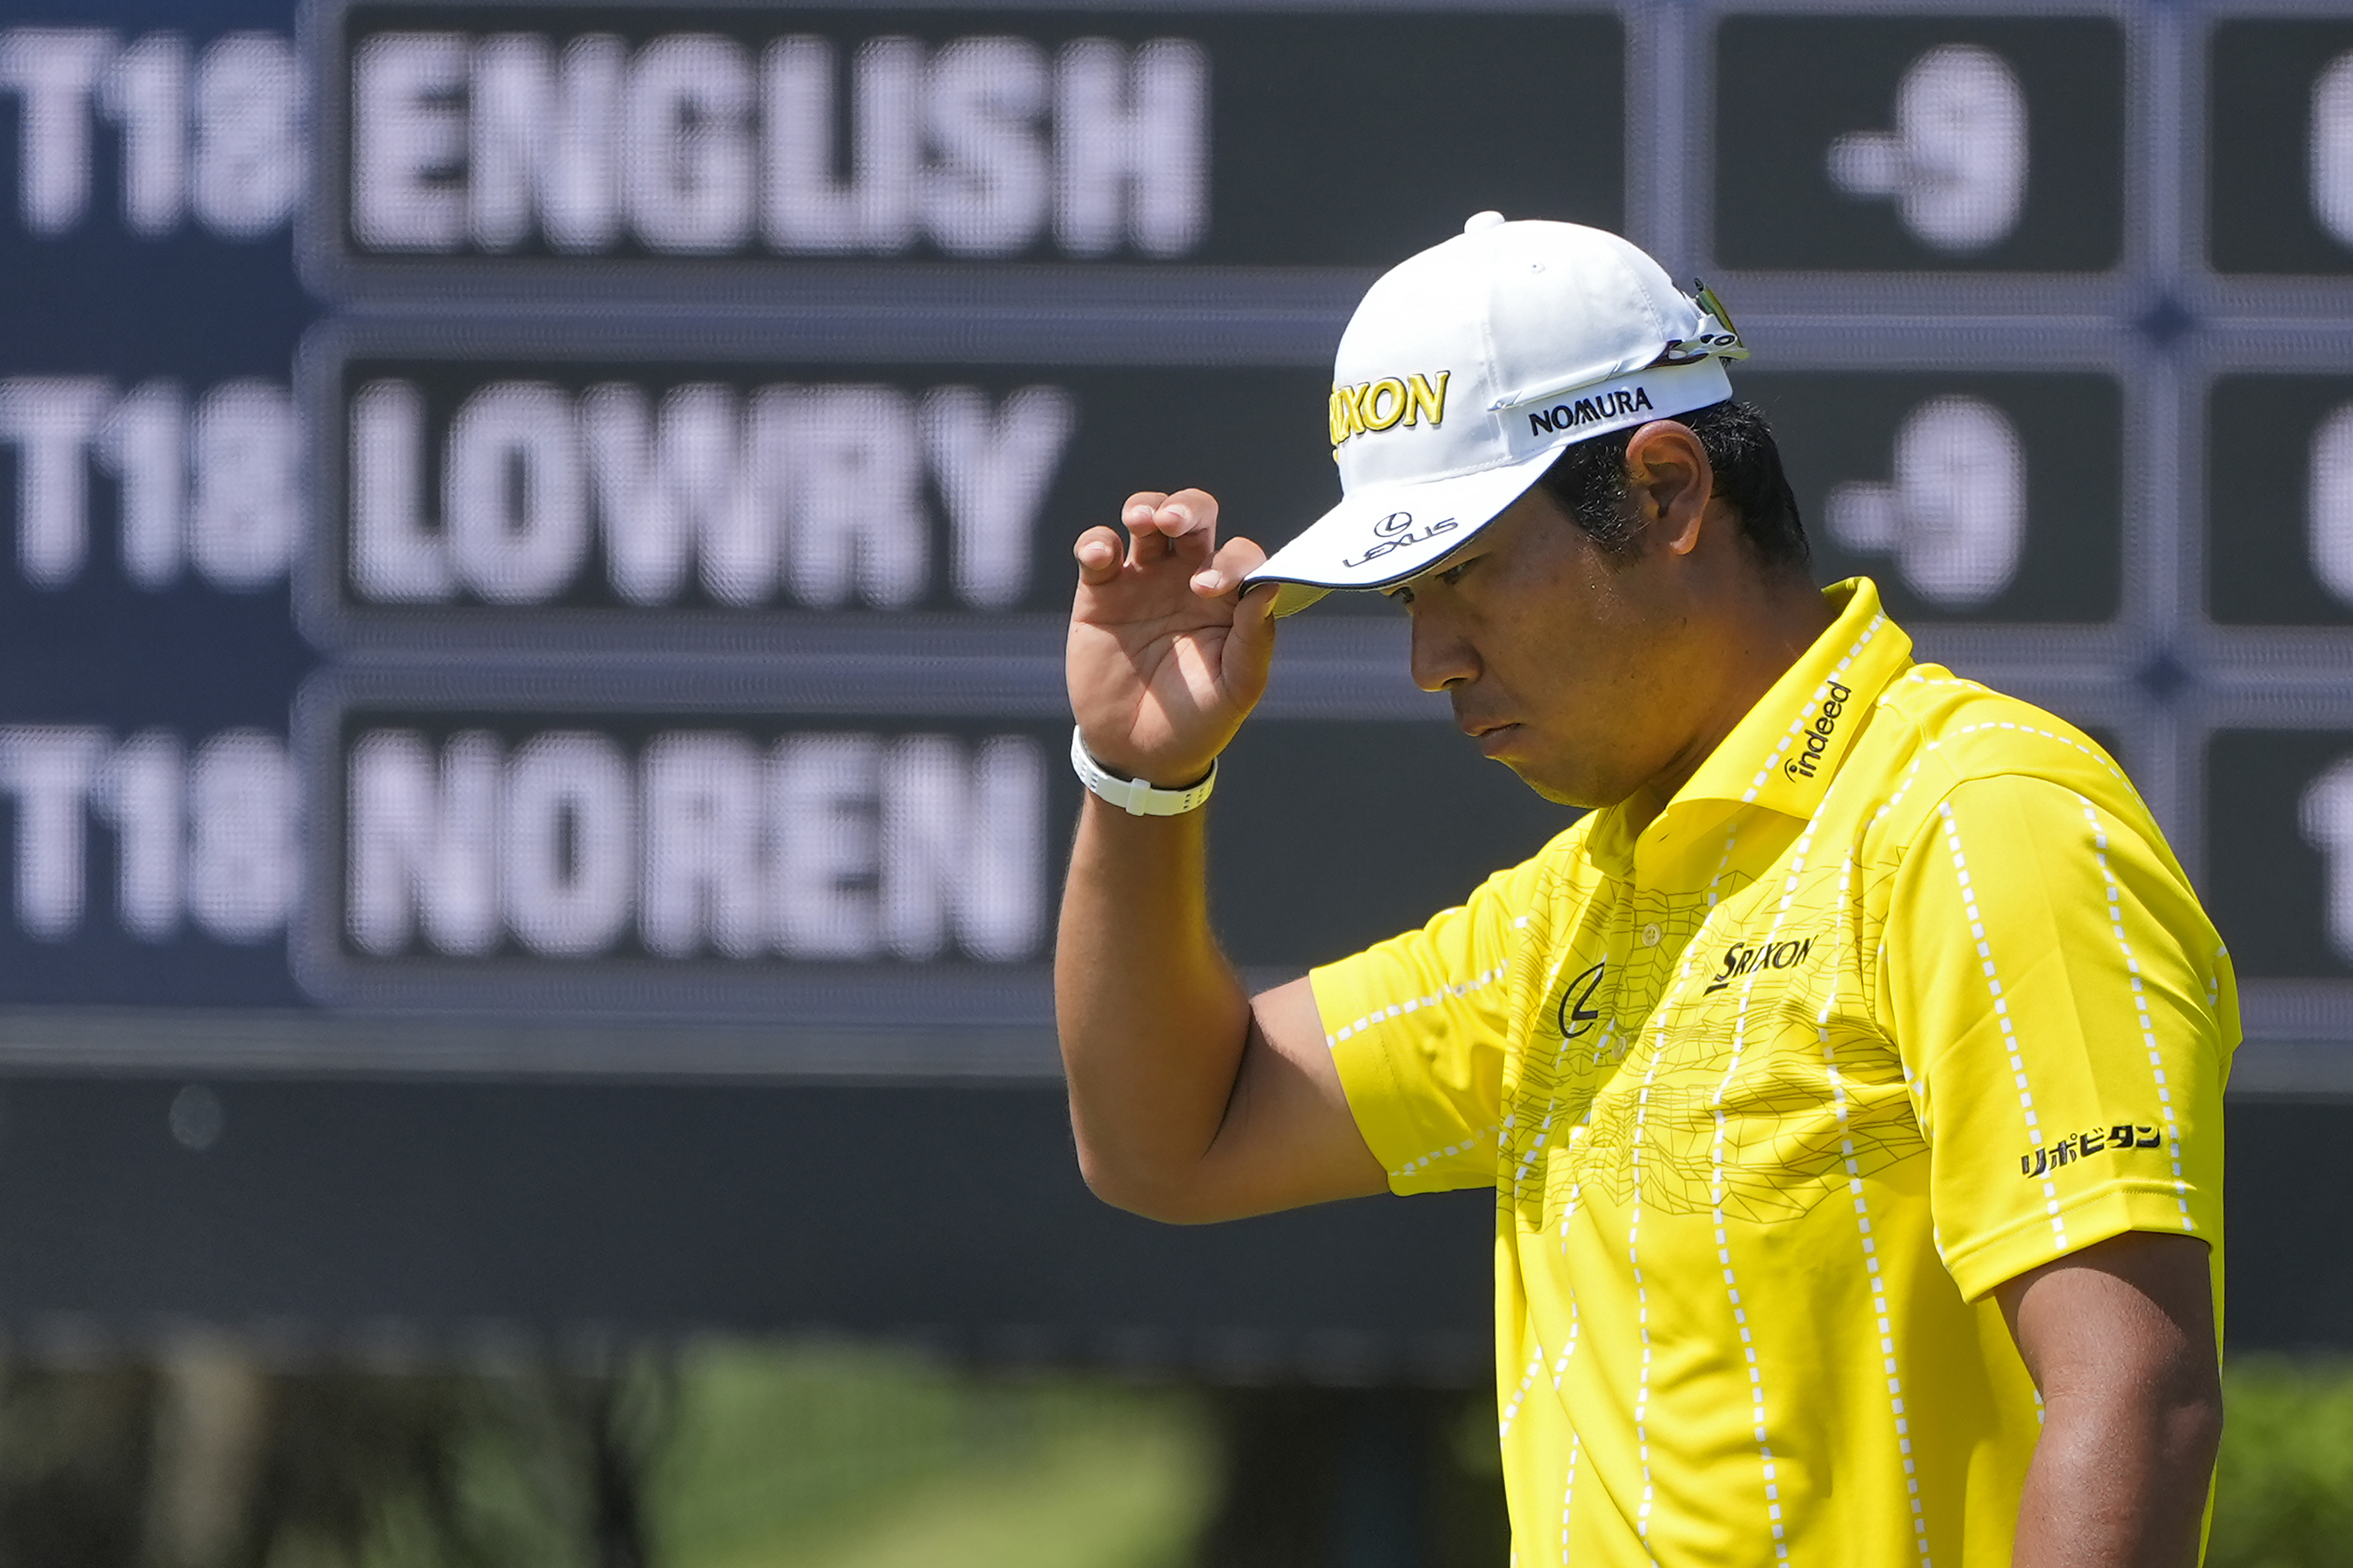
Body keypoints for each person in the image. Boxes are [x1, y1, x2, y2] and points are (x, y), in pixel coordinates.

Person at [1056, 213, 2234, 1566]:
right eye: (1404, 599)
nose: (1432, 656)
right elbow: (1167, 1139)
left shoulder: (1984, 822)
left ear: (1669, 490)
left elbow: (2135, 1396)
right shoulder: (1572, 911)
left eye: (1465, 572)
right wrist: (1141, 782)